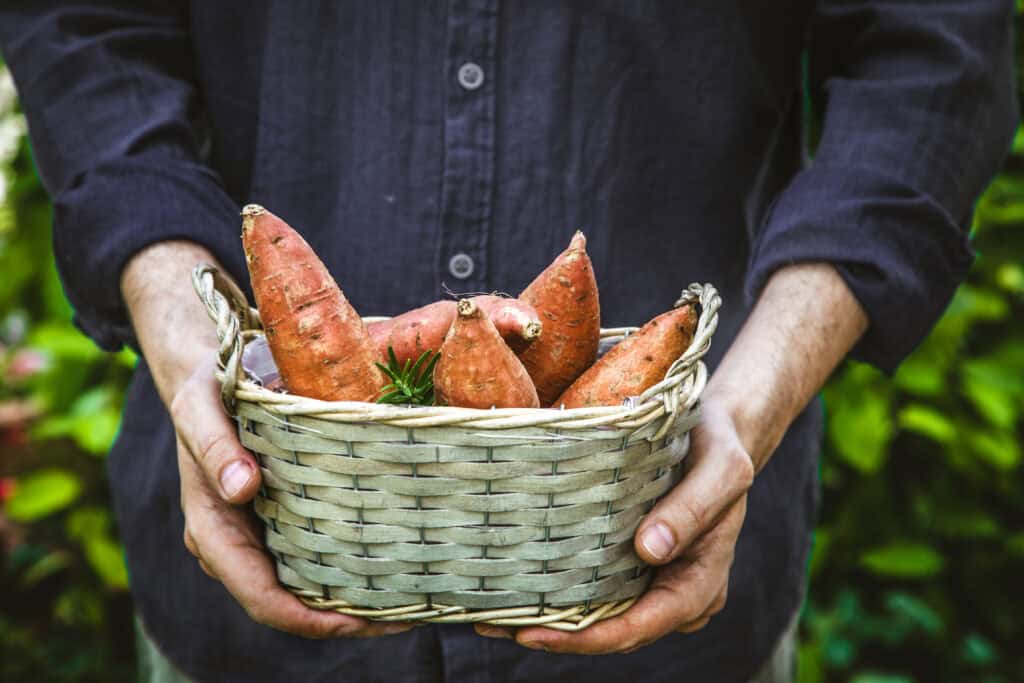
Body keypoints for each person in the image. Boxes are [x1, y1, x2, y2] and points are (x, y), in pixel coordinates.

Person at [0, 2, 1015, 682]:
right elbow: (87, 26)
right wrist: (186, 332)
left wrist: (749, 398)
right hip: (244, 595)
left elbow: (930, 54)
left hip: (665, 575)